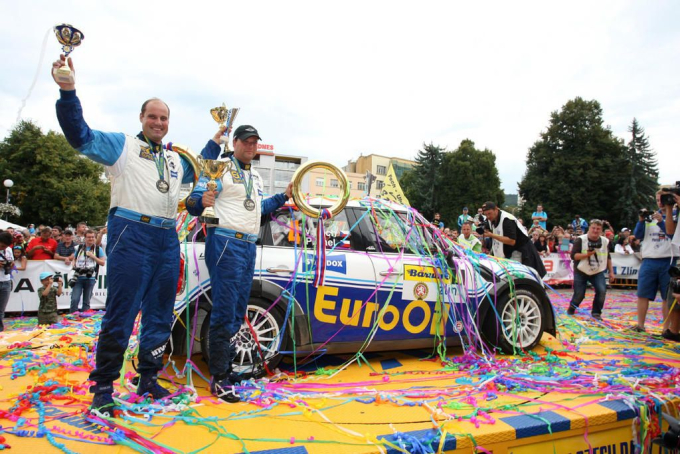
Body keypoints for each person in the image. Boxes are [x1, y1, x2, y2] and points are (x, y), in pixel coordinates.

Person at [52, 53, 223, 416]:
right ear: (142, 119)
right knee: (122, 312)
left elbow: (198, 179)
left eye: (163, 118)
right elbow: (79, 135)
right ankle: (102, 386)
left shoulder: (176, 160)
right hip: (130, 232)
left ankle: (148, 377)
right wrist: (68, 91)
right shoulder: (122, 147)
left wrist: (214, 151)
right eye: (152, 117)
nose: (158, 122)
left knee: (161, 313)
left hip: (165, 237)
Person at [186, 124, 292, 403]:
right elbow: (196, 201)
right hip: (225, 242)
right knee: (224, 309)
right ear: (234, 142)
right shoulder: (220, 167)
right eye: (246, 141)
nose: (251, 146)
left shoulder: (255, 175)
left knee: (236, 310)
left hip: (247, 245)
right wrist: (200, 201)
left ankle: (227, 369)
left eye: (255, 142)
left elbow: (258, 209)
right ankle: (219, 378)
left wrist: (284, 196)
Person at [631, 194, 675, 333]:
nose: (659, 203)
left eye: (662, 200)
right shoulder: (650, 217)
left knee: (666, 296)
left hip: (668, 259)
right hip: (649, 259)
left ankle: (666, 328)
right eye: (657, 200)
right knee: (643, 293)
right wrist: (641, 220)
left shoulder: (674, 216)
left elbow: (672, 235)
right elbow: (637, 235)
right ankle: (640, 325)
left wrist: (662, 221)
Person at [481, 201, 547, 277]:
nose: (488, 217)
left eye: (489, 213)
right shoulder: (492, 219)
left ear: (496, 209)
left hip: (522, 251)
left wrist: (492, 235)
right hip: (511, 252)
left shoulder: (507, 220)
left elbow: (511, 241)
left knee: (520, 278)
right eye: (486, 214)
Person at [566, 220, 614, 320]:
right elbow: (573, 256)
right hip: (581, 270)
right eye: (593, 228)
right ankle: (572, 307)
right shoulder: (580, 239)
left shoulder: (605, 241)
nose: (595, 231)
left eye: (598, 229)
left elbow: (608, 257)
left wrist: (611, 272)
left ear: (601, 230)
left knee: (601, 291)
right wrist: (586, 255)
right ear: (589, 228)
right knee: (579, 294)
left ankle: (596, 312)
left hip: (597, 270)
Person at [70, 230, 106, 313]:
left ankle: (84, 316)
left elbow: (102, 262)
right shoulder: (79, 247)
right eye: (89, 237)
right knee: (75, 298)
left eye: (93, 237)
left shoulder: (98, 249)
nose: (91, 239)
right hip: (78, 276)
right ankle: (73, 315)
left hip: (90, 277)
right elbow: (74, 259)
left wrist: (93, 256)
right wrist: (74, 265)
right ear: (85, 238)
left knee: (86, 300)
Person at [0, 232, 14, 332]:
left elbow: (12, 263)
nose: (4, 248)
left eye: (6, 246)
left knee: (1, 310)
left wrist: (10, 264)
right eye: (2, 246)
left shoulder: (8, 250)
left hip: (6, 280)